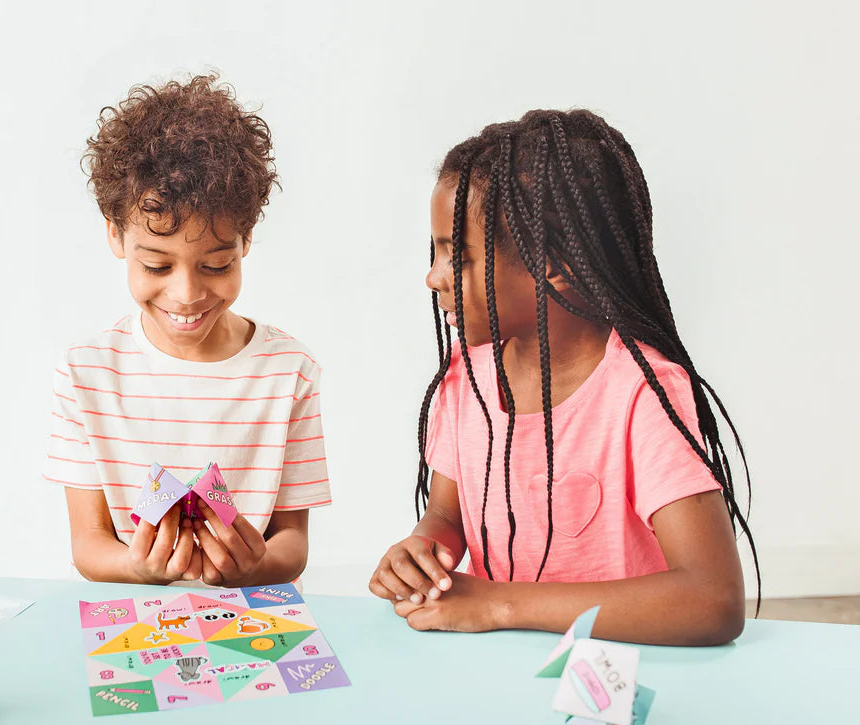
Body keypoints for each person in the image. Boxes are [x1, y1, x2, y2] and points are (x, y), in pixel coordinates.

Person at [369, 110, 756, 645]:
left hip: (618, 682)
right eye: (434, 250)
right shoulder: (468, 379)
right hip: (500, 672)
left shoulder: (641, 394)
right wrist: (422, 552)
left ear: (553, 262)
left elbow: (713, 602)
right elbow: (446, 518)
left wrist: (500, 604)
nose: (433, 276)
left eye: (457, 255)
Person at [45, 74, 330, 587]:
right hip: (131, 625)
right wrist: (137, 567)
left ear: (245, 240)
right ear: (115, 233)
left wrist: (254, 563)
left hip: (253, 629)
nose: (187, 294)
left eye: (217, 265)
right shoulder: (86, 373)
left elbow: (293, 543)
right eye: (156, 266)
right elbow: (88, 545)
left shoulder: (290, 372)